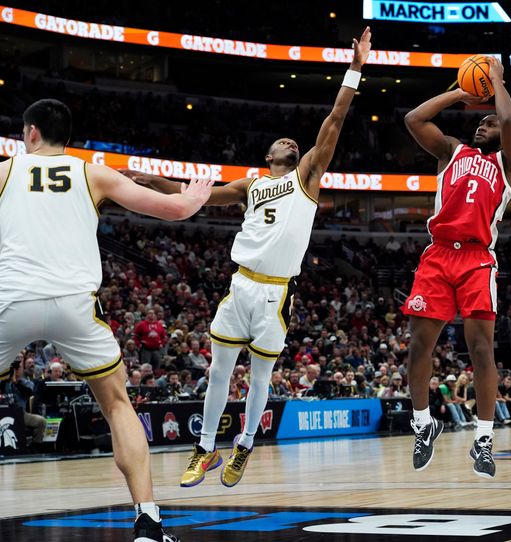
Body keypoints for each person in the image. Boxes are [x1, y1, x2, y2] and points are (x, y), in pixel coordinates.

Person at [124, 28, 372, 488]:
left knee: (260, 378)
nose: (288, 141)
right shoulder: (250, 186)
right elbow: (192, 195)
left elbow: (335, 120)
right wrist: (143, 178)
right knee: (219, 369)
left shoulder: (308, 175)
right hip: (241, 285)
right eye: (281, 140)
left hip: (277, 293)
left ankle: (244, 445)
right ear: (267, 154)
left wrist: (355, 68)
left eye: (293, 141)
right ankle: (204, 451)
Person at [0, 99, 212, 541]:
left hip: (11, 299)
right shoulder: (91, 172)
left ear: (32, 133)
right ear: (68, 138)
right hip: (76, 304)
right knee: (117, 405)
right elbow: (173, 210)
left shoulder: (4, 170)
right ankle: (148, 522)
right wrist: (194, 196)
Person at [402, 57, 511, 478]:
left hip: (476, 259)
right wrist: (461, 91)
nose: (483, 125)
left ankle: (484, 438)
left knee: (481, 350)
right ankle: (423, 423)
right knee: (420, 346)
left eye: (487, 123)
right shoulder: (452, 151)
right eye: (480, 122)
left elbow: (509, 121)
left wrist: (496, 81)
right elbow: (414, 118)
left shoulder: (508, 168)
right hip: (437, 254)